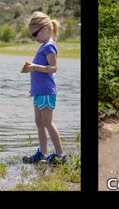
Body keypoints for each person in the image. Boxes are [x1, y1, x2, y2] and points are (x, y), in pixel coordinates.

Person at [22, 12, 67, 165]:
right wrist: (34, 87)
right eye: (32, 35)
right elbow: (41, 73)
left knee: (47, 122)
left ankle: (60, 155)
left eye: (35, 33)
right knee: (39, 122)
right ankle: (42, 153)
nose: (34, 37)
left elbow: (53, 68)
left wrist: (35, 67)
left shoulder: (49, 46)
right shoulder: (43, 46)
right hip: (39, 91)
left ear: (46, 28)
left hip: (47, 91)